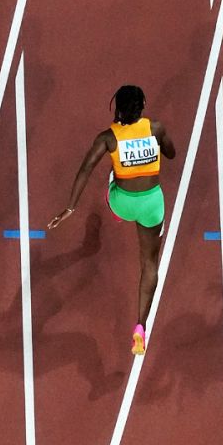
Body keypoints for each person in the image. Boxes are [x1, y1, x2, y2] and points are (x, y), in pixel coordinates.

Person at [48, 85, 176, 356]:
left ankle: (117, 213)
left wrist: (70, 208)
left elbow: (85, 169)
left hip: (122, 203)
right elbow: (172, 153)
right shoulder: (156, 127)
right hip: (152, 204)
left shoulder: (107, 137)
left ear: (117, 107)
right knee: (150, 263)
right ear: (142, 105)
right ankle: (140, 326)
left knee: (111, 174)